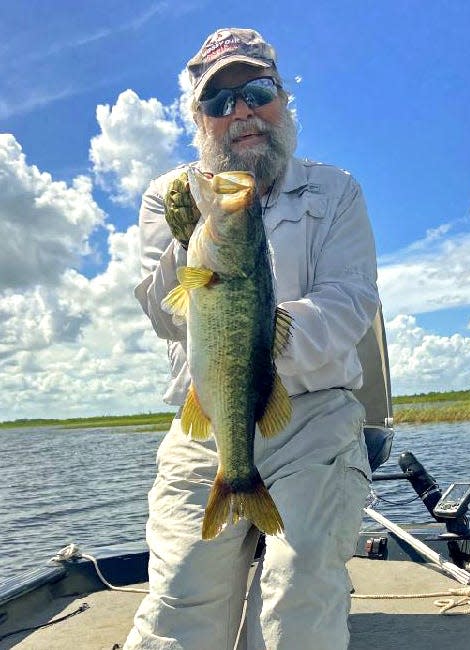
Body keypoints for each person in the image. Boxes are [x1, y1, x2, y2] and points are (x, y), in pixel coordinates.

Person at [124, 27, 379, 650]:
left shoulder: (336, 190)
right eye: (219, 102)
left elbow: (351, 303)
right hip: (207, 418)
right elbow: (165, 316)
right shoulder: (174, 196)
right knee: (182, 593)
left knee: (301, 588)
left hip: (314, 415)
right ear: (200, 118)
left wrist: (257, 336)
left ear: (282, 99)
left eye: (256, 92)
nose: (241, 113)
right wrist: (189, 240)